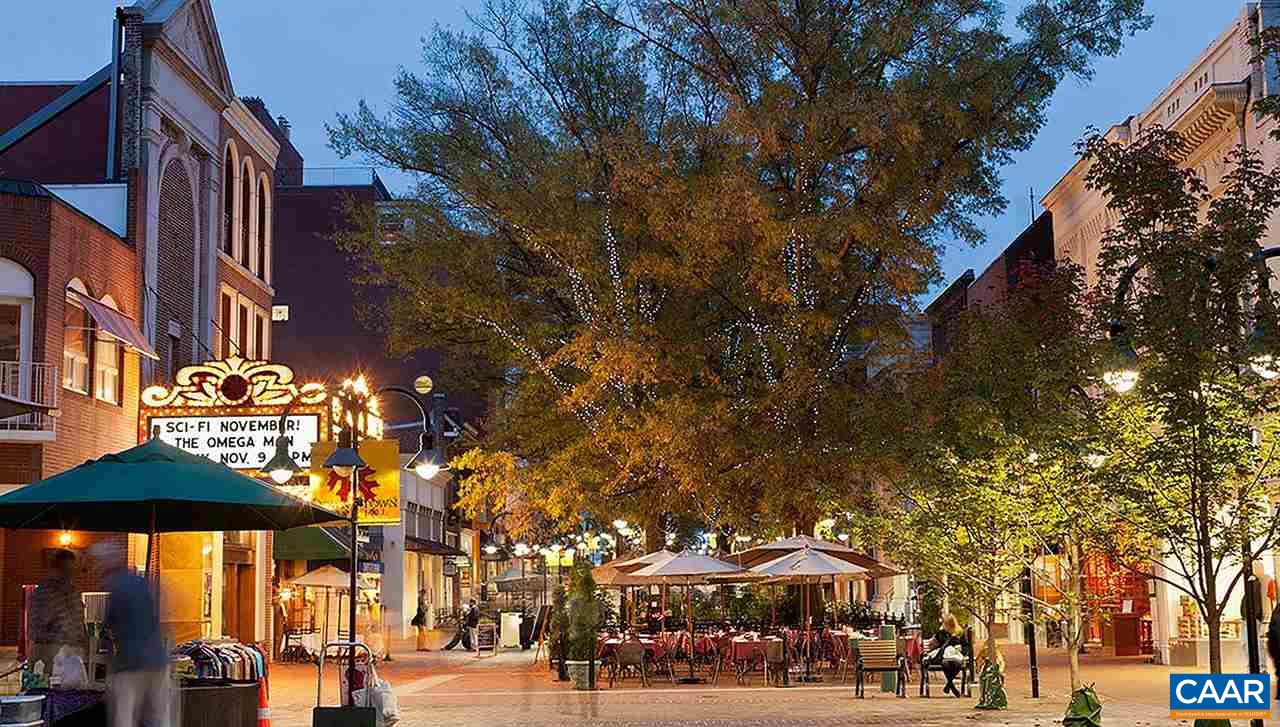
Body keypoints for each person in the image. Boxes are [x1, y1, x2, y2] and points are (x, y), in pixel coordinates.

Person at [92, 542, 168, 726]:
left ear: (107, 563)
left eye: (97, 563)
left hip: (130, 662)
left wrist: (108, 656)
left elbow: (108, 629)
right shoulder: (141, 582)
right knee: (157, 716)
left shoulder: (115, 586)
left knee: (124, 716)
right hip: (158, 659)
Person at [29, 549, 87, 675]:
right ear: (56, 569)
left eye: (72, 570)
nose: (70, 574)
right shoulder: (44, 593)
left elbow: (78, 623)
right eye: (66, 570)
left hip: (71, 656)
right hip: (48, 655)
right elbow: (37, 630)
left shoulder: (73, 592)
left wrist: (80, 642)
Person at [924, 614, 968, 697]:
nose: (943, 625)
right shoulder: (941, 633)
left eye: (945, 623)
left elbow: (965, 646)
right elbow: (934, 645)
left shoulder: (960, 632)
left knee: (957, 664)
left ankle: (949, 684)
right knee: (945, 664)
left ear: (950, 624)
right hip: (944, 656)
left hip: (956, 655)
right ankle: (951, 686)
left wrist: (961, 650)